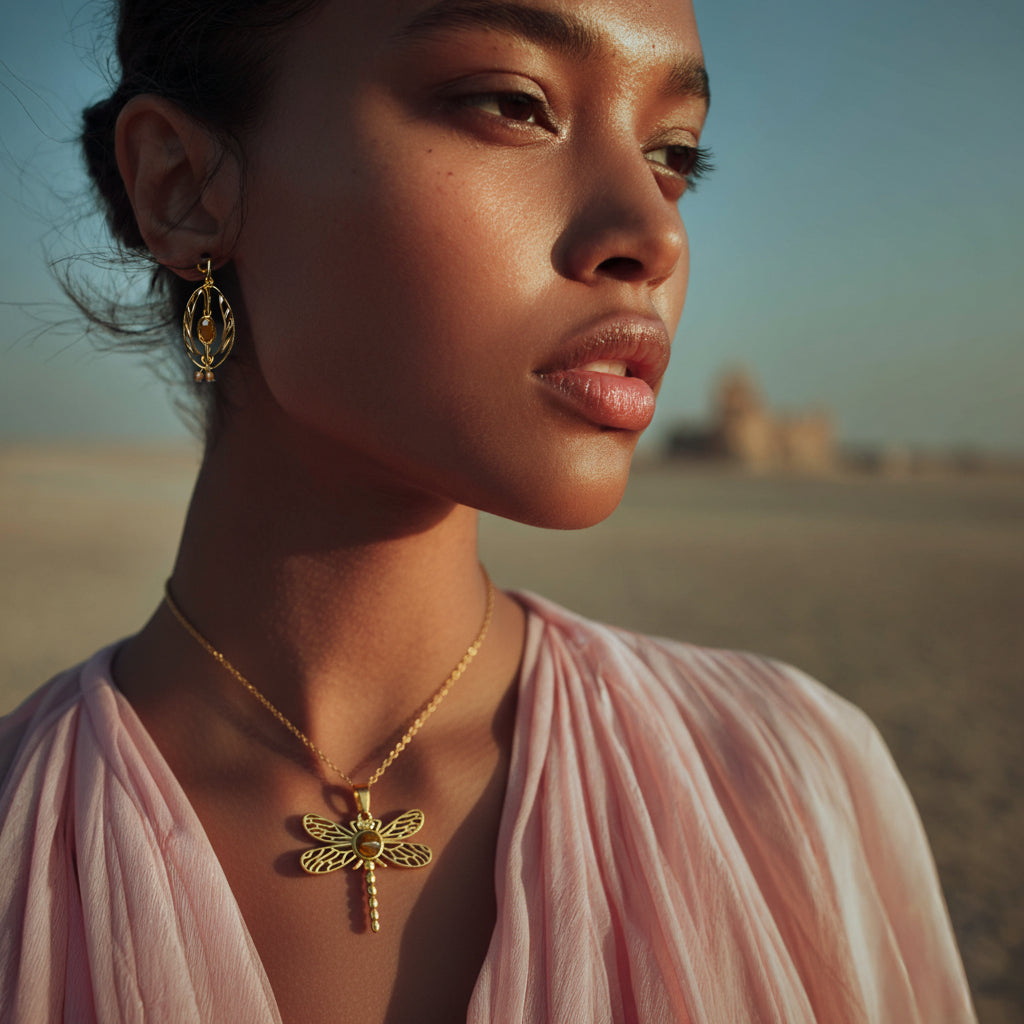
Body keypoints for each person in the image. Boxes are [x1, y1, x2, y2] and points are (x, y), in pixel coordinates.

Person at [0, 1, 977, 1021]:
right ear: (183, 185)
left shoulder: (786, 783)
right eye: (514, 104)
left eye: (673, 153)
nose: (652, 231)